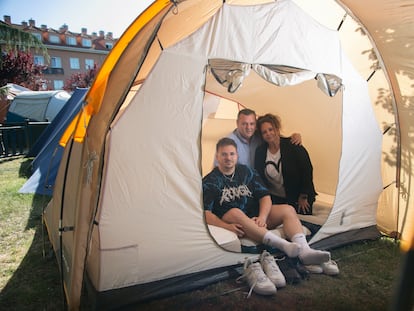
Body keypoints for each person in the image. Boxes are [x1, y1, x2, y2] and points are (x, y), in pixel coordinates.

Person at [203, 137, 330, 266]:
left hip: (256, 217)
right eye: (224, 154)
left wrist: (262, 217)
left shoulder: (247, 172)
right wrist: (226, 226)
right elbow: (206, 213)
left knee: (288, 209)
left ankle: (305, 252)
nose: (228, 158)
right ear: (217, 156)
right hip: (234, 221)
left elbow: (265, 196)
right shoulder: (209, 181)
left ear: (237, 155)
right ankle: (284, 246)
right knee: (235, 212)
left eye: (231, 154)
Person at [254, 113, 317, 215]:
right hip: (275, 198)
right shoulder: (260, 152)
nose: (268, 133)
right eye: (264, 132)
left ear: (277, 128)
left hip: (299, 197)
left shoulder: (293, 145)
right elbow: (259, 176)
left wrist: (304, 196)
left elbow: (307, 170)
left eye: (271, 129)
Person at [217, 108, 302, 168]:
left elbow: (274, 137)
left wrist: (295, 136)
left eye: (252, 123)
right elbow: (218, 169)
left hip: (259, 187)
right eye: (244, 124)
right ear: (237, 123)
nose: (248, 127)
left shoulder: (259, 136)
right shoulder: (228, 142)